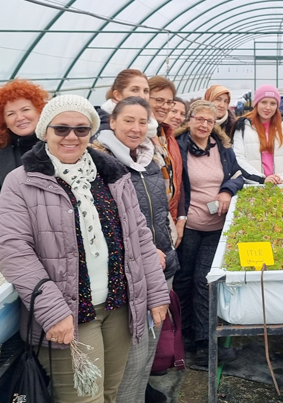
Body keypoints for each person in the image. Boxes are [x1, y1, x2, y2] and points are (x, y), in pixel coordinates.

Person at [0, 95, 169, 403]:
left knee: (110, 394)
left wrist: (156, 293)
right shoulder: (22, 182)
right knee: (84, 399)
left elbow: (139, 236)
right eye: (61, 129)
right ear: (45, 132)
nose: (71, 136)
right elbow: (13, 250)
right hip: (71, 313)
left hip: (118, 305)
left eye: (81, 129)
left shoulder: (112, 176)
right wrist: (53, 312)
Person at [91, 96, 178, 403]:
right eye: (128, 120)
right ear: (111, 122)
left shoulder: (149, 159)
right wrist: (141, 252)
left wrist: (169, 229)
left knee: (148, 351)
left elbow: (158, 206)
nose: (136, 128)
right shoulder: (99, 162)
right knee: (131, 353)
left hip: (163, 265)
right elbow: (100, 222)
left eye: (142, 121)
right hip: (129, 272)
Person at [175, 100, 244, 368]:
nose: (204, 125)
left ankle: (205, 344)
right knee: (183, 280)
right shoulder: (178, 147)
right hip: (189, 226)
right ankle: (185, 337)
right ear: (189, 119)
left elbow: (238, 174)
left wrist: (226, 189)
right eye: (199, 119)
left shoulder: (222, 148)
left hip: (216, 226)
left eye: (210, 120)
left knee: (205, 281)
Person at [0, 79, 49, 186]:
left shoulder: (58, 143)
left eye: (25, 110)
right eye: (11, 114)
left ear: (40, 111)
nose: (20, 118)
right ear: (3, 121)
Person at [233, 85, 283, 184]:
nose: (268, 107)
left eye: (273, 103)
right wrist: (262, 180)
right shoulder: (242, 126)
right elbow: (238, 158)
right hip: (254, 188)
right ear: (256, 104)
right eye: (264, 102)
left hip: (281, 187)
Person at [148, 76, 184, 245]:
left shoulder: (167, 136)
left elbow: (177, 180)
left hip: (167, 219)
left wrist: (179, 218)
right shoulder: (141, 138)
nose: (165, 106)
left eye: (169, 102)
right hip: (149, 226)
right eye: (159, 100)